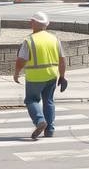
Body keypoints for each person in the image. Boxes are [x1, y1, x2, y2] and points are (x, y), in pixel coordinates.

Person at [13, 12, 67, 140]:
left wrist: (16, 73)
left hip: (35, 77)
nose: (30, 23)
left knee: (31, 100)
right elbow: (62, 59)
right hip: (52, 76)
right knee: (48, 101)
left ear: (36, 23)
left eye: (32, 21)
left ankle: (40, 121)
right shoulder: (54, 39)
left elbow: (21, 59)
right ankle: (50, 130)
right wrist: (62, 76)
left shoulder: (29, 40)